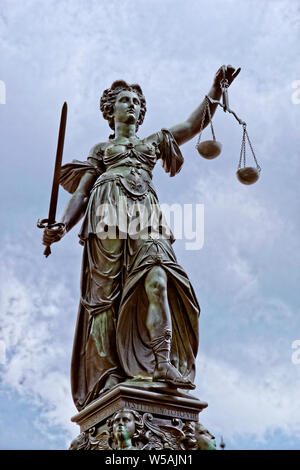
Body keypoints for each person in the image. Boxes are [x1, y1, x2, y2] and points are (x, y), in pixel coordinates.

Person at [43, 65, 240, 411]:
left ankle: (162, 361)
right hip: (106, 214)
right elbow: (81, 193)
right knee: (105, 298)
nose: (131, 105)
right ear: (110, 110)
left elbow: (193, 125)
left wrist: (216, 90)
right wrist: (62, 225)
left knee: (160, 278)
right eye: (124, 100)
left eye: (136, 101)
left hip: (145, 214)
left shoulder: (153, 143)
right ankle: (107, 376)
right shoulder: (102, 150)